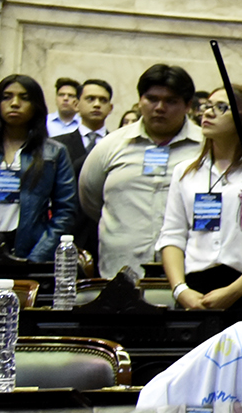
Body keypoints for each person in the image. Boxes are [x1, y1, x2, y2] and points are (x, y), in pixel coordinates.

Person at [79, 64, 204, 279]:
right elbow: (90, 197)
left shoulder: (207, 147)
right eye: (152, 99)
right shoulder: (111, 145)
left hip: (188, 272)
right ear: (140, 101)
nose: (159, 107)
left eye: (171, 101)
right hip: (121, 270)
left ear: (188, 106)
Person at [157, 86, 242, 318]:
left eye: (221, 108)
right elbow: (172, 236)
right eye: (207, 106)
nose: (208, 113)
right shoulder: (185, 172)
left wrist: (234, 291)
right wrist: (180, 290)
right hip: (195, 289)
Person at [0, 74, 78, 262]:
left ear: (36, 105)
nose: (15, 103)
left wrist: (38, 256)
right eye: (6, 97)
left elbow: (65, 211)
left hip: (30, 249)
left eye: (24, 98)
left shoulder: (54, 152)